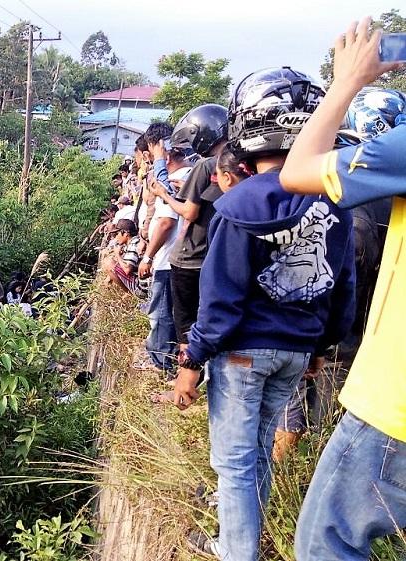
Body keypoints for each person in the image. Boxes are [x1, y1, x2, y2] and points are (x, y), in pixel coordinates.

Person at [172, 67, 357, 561]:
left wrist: (191, 362)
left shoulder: (239, 204)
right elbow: (341, 288)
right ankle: (242, 543)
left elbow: (221, 299)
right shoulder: (334, 203)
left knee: (233, 462)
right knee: (257, 450)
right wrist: (318, 349)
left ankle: (236, 551)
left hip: (242, 355)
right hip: (297, 354)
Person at [277, 19, 406, 561]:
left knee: (325, 540)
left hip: (393, 400)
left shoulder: (392, 158)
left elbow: (298, 169)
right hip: (353, 352)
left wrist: (346, 80)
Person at [151, 104, 230, 355]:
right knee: (206, 318)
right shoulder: (237, 163)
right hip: (214, 256)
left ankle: (184, 379)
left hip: (190, 257)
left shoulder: (206, 166)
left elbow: (189, 212)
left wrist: (163, 193)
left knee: (185, 324)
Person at [139, 122, 190, 375]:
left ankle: (163, 367)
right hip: (175, 260)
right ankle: (169, 366)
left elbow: (167, 221)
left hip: (168, 261)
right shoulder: (186, 177)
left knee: (162, 316)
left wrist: (148, 256)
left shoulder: (177, 180)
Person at [101, 219, 146, 297]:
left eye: (117, 233)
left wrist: (117, 255)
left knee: (109, 263)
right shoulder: (133, 242)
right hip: (141, 282)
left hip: (142, 288)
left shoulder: (134, 244)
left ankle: (130, 293)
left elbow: (127, 269)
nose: (116, 237)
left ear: (126, 234)